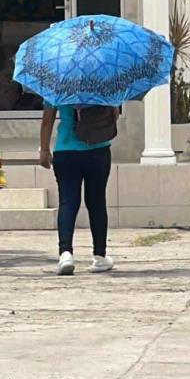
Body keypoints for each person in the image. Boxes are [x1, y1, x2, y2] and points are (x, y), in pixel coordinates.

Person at [39, 105, 115, 275]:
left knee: (68, 202)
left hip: (66, 149)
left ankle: (65, 254)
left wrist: (44, 149)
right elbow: (113, 115)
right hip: (98, 148)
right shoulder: (102, 81)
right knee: (97, 202)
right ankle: (100, 256)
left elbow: (47, 119)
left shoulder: (58, 81)